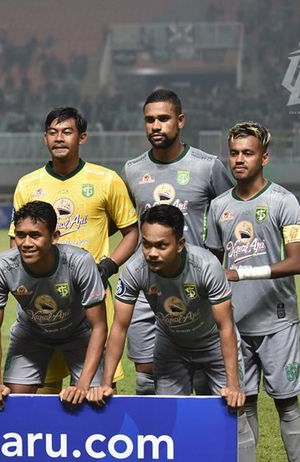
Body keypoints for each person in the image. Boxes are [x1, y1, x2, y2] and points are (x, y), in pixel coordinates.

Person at [89, 204, 262, 462]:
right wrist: (106, 379)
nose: (152, 252)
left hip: (214, 345)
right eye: (147, 244)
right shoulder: (136, 269)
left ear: (179, 243)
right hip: (171, 349)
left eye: (161, 245)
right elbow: (119, 328)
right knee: (173, 423)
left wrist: (233, 384)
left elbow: (226, 327)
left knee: (234, 416)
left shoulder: (205, 266)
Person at [206, 121, 300, 462]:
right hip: (234, 323)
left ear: (264, 157)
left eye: (247, 153)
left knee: (286, 402)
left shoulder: (284, 200)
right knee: (243, 405)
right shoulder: (219, 207)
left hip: (278, 320)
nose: (239, 160)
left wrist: (242, 273)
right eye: (234, 153)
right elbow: (216, 264)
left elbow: (296, 262)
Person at [9, 107, 139, 393]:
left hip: (89, 297)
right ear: (45, 138)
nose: (59, 138)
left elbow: (132, 232)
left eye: (67, 132)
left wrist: (107, 266)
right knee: (42, 390)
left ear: (82, 137)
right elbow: (15, 241)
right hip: (45, 302)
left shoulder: (106, 180)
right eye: (53, 132)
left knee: (96, 393)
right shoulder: (28, 184)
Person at [122, 89, 233, 395]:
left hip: (194, 284)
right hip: (149, 286)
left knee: (199, 375)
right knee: (145, 376)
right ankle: (155, 441)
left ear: (180, 121)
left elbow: (229, 214)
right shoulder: (132, 170)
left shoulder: (207, 166)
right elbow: (130, 225)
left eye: (163, 118)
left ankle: (195, 442)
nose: (156, 126)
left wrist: (215, 263)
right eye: (149, 120)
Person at [0, 201, 107, 411]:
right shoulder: (2, 266)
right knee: (12, 403)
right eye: (21, 235)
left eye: (35, 235)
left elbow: (99, 327)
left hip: (78, 334)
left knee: (92, 400)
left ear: (55, 236)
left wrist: (83, 386)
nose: (26, 243)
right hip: (30, 334)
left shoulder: (80, 262)